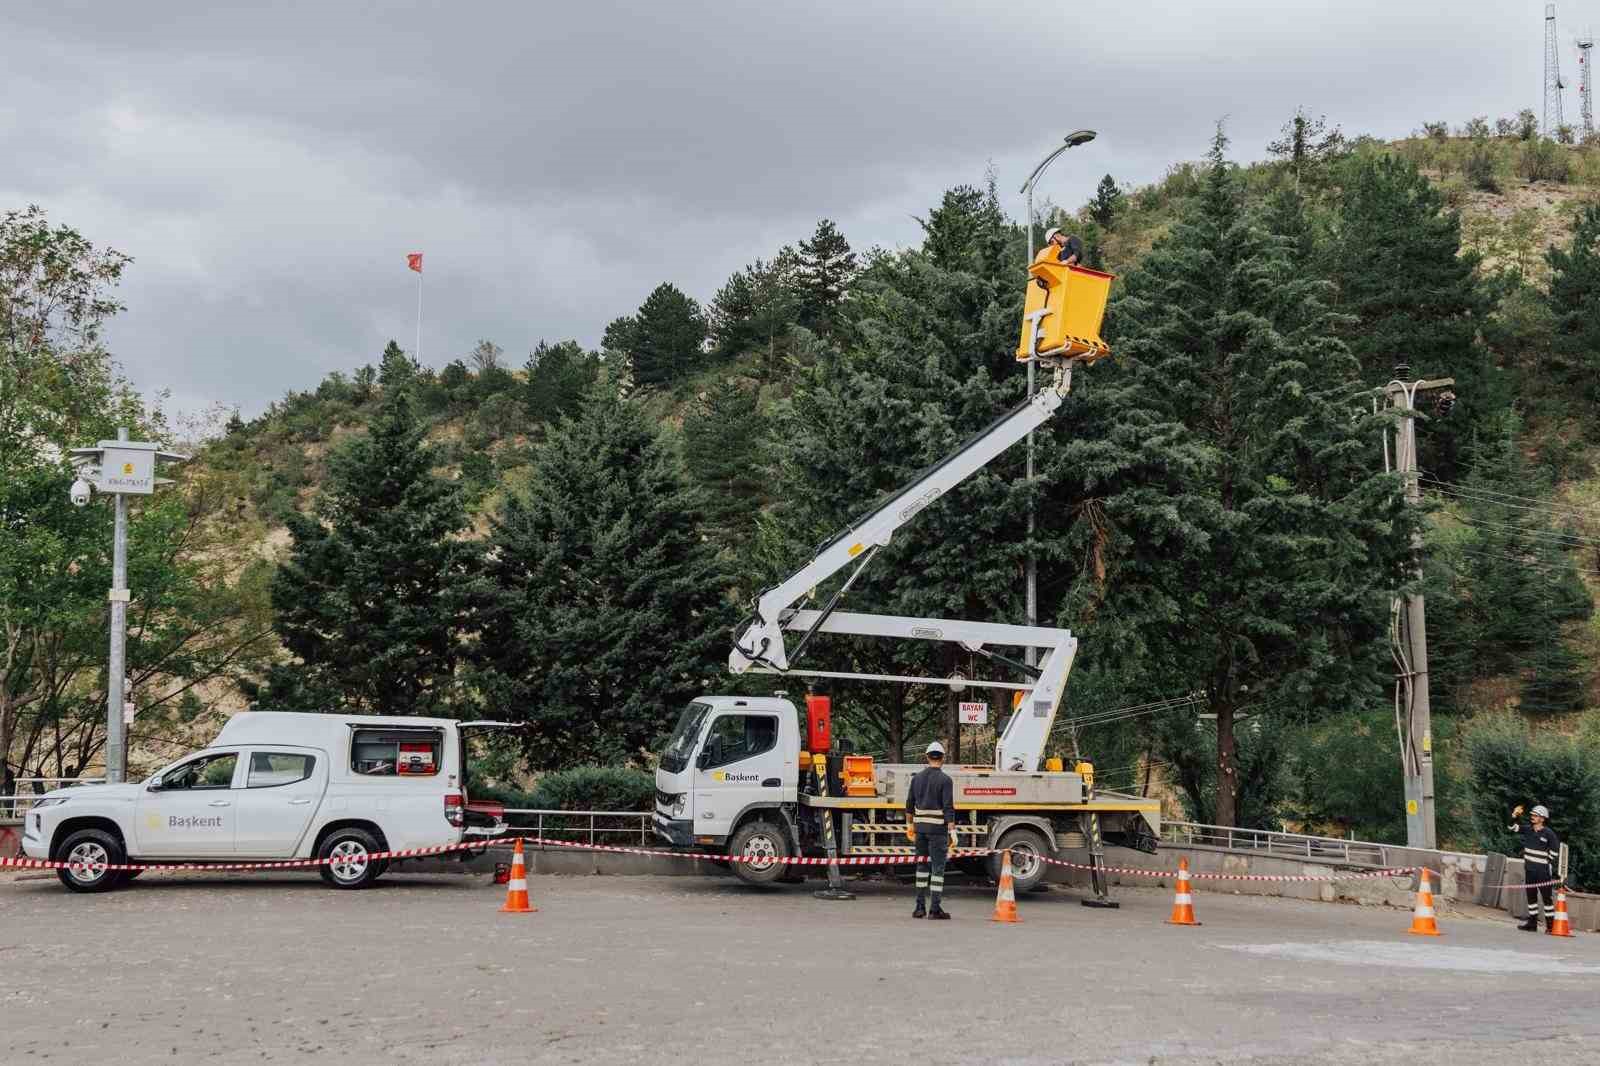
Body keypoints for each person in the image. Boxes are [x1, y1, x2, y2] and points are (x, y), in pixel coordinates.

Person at [906, 740, 958, 919]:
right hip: (938, 831)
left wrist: (910, 826)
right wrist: (952, 831)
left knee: (921, 867)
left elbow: (909, 805)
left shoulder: (916, 778)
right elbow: (948, 807)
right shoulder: (946, 780)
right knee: (937, 869)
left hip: (920, 830)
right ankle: (934, 909)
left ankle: (919, 908)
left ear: (927, 757)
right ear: (942, 758)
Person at [1508, 803, 1561, 932]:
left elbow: (1555, 850)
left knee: (1546, 898)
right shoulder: (1528, 829)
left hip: (1542, 872)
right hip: (1530, 870)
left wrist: (1546, 861)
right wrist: (1514, 816)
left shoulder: (1549, 833)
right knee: (1531, 897)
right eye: (1532, 815)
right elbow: (1511, 827)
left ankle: (1550, 926)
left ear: (1542, 819)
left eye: (1535, 816)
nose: (1532, 817)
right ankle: (1532, 924)